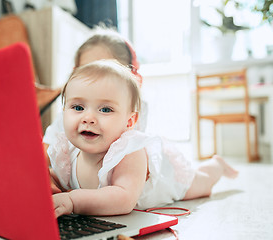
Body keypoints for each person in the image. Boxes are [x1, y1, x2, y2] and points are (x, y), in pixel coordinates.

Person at [48, 60, 239, 217]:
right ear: (64, 111)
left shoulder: (129, 152)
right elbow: (59, 177)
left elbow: (124, 199)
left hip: (170, 178)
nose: (88, 118)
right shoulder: (67, 152)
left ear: (129, 121)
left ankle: (216, 166)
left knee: (202, 184)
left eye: (105, 109)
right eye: (78, 107)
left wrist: (73, 200)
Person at [43, 27, 148, 160]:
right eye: (87, 73)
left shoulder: (133, 116)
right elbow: (44, 153)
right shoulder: (70, 114)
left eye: (105, 109)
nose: (88, 117)